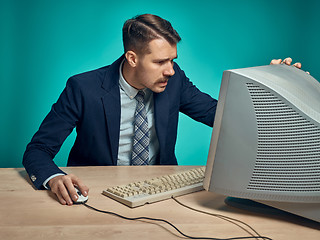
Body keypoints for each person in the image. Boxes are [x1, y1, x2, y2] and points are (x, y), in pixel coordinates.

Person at [22, 14, 302, 205]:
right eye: (160, 62)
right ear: (132, 58)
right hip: (97, 195)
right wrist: (54, 177)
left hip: (161, 194)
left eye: (173, 60)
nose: (171, 70)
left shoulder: (174, 79)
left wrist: (271, 89)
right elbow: (37, 150)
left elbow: (223, 117)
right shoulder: (83, 88)